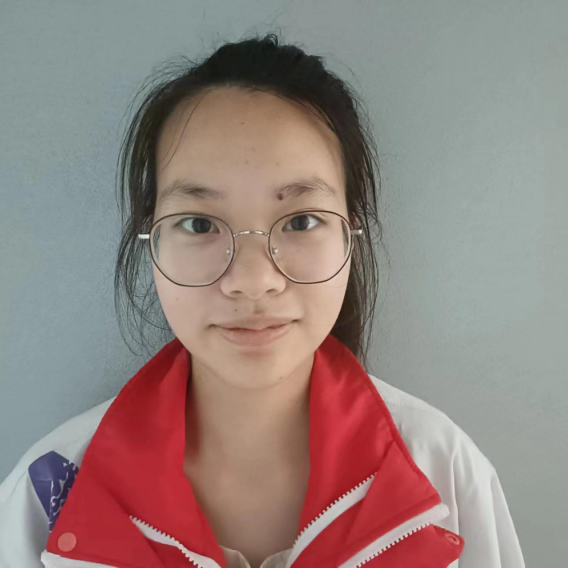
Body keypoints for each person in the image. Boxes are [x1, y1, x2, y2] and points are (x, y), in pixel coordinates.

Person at [0, 33, 525, 568]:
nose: (252, 281)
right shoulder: (48, 497)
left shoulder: (445, 479)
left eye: (301, 221)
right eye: (199, 224)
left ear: (351, 235)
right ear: (150, 241)